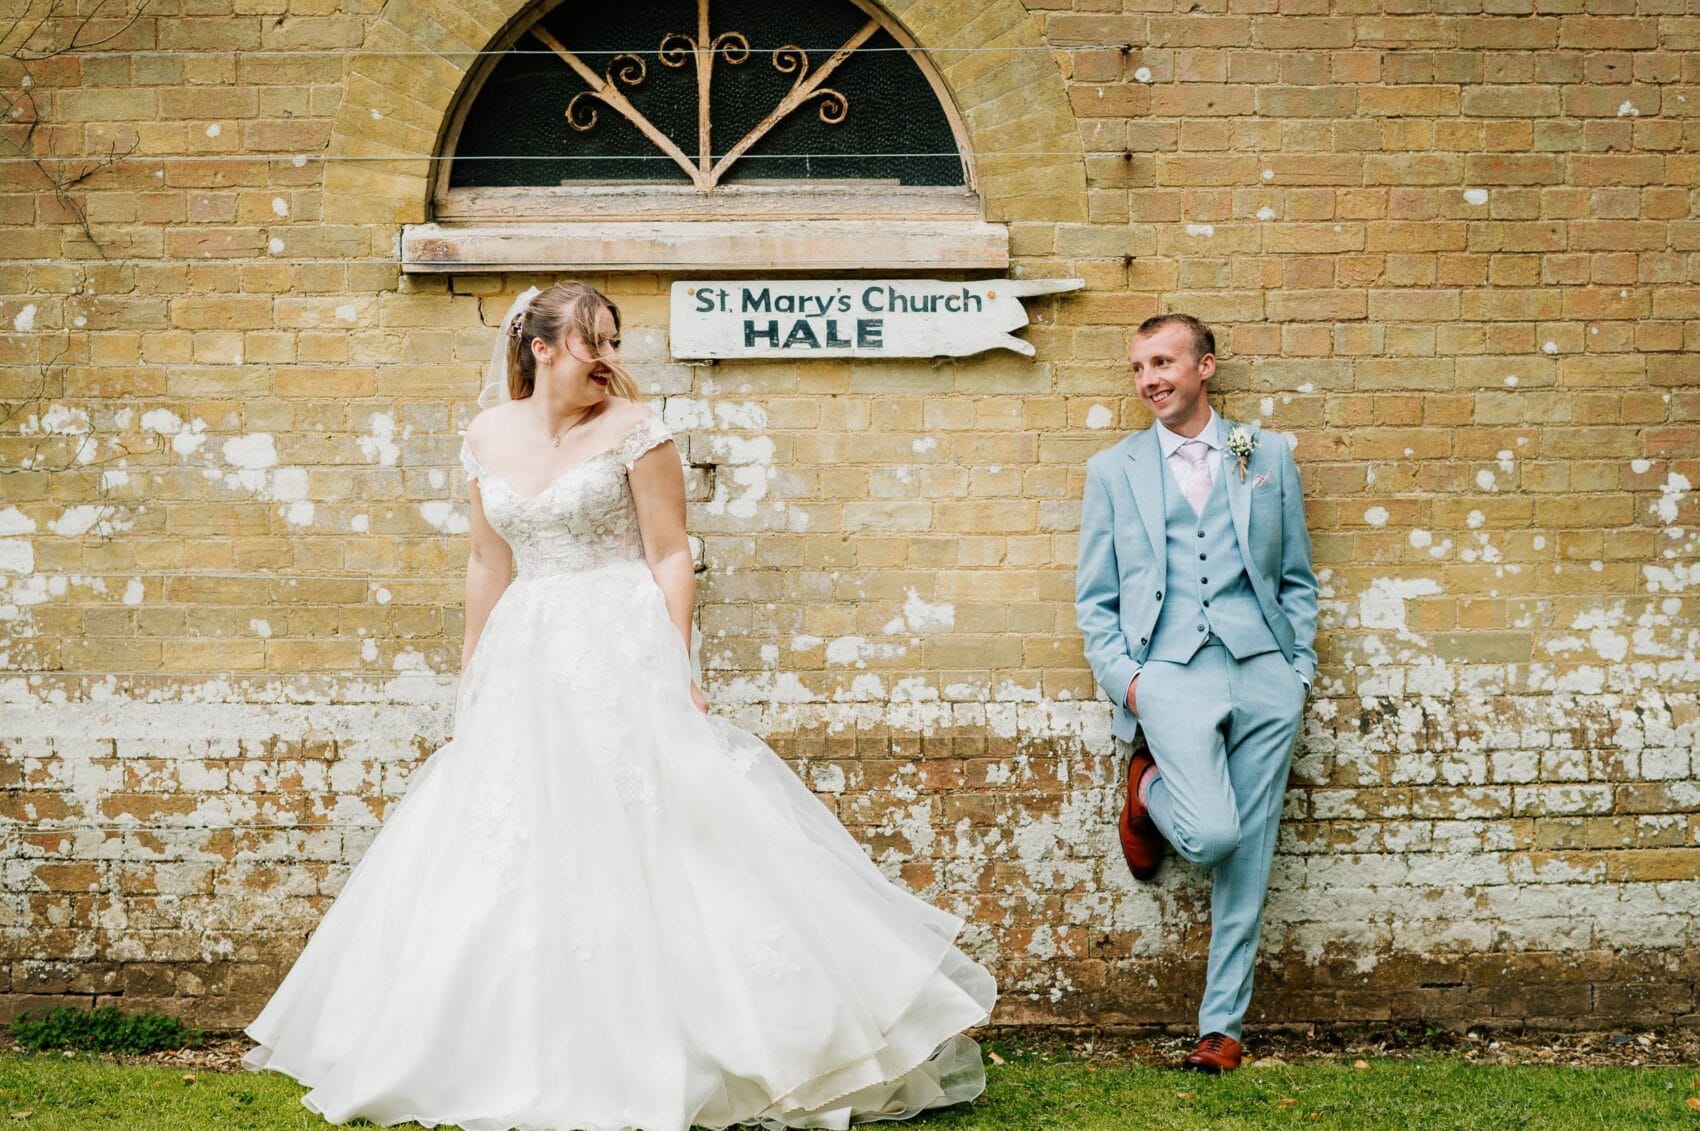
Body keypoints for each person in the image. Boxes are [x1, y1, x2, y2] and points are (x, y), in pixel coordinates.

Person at [242, 281, 996, 1130]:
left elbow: (672, 555)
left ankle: (734, 1037)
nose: (609, 359)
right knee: (512, 837)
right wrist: (472, 670)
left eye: (614, 341)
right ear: (542, 348)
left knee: (658, 834)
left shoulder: (639, 433)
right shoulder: (485, 435)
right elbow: (487, 564)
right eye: (593, 342)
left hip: (620, 643)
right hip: (528, 652)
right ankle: (500, 1045)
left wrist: (675, 663)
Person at [1073, 313, 1318, 1073]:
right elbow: (1095, 599)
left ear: (1204, 367)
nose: (1150, 379)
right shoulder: (1113, 470)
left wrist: (1297, 669)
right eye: (1139, 367)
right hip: (1170, 673)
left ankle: (1223, 1028)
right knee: (1215, 836)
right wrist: (1131, 685)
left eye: (1164, 362)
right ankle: (1145, 789)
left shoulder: (1264, 452)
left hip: (1264, 671)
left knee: (1253, 852)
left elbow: (1297, 578)